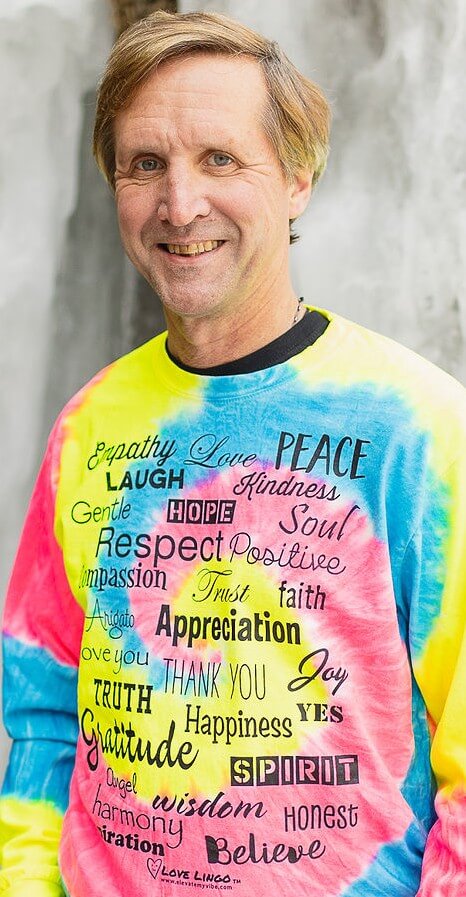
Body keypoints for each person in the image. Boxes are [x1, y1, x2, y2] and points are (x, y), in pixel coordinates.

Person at [1, 9, 465, 897]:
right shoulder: (89, 425)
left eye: (220, 158)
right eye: (146, 164)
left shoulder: (422, 430)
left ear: (298, 176)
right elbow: (43, 714)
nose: (180, 204)